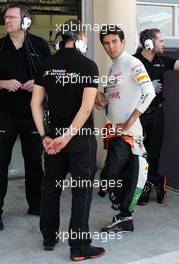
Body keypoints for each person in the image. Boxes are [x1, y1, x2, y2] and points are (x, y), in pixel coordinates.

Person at [31, 19, 105, 261]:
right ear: (81, 35)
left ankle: (49, 238)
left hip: (53, 138)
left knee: (51, 188)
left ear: (61, 37)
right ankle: (79, 247)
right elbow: (85, 109)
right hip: (79, 138)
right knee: (81, 191)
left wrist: (45, 136)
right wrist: (68, 137)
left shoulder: (46, 65)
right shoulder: (88, 66)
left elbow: (35, 103)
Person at [95, 25, 155, 233]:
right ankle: (124, 217)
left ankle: (124, 216)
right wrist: (101, 99)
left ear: (123, 42)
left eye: (114, 42)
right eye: (106, 43)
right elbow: (115, 99)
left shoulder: (132, 62)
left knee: (112, 176)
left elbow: (149, 93)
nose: (110, 46)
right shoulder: (113, 67)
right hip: (114, 133)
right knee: (115, 177)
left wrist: (129, 122)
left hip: (128, 134)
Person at [0, 3, 51, 231]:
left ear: (26, 21)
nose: (7, 21)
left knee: (33, 163)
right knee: (0, 163)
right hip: (4, 115)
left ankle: (36, 205)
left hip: (32, 115)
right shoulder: (0, 46)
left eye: (12, 17)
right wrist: (2, 83)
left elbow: (51, 78)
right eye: (6, 18)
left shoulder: (39, 46)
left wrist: (38, 85)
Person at [134, 28, 179, 205]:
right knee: (139, 154)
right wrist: (145, 86)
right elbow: (122, 86)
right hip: (138, 116)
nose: (164, 44)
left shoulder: (162, 60)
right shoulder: (133, 61)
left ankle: (158, 185)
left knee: (155, 152)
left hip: (157, 114)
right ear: (149, 44)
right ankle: (142, 188)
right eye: (160, 41)